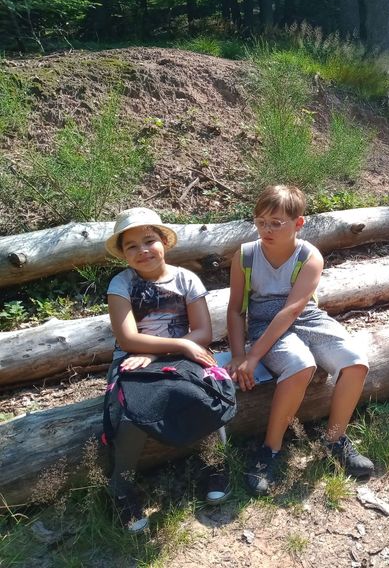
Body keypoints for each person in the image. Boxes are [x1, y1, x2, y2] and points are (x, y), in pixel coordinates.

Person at [226, 185, 374, 496]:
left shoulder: (309, 256)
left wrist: (255, 357)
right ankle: (270, 450)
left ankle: (335, 440)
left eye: (276, 223)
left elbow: (294, 309)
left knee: (356, 363)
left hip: (306, 317)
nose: (266, 229)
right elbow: (236, 309)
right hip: (265, 323)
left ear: (298, 223)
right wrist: (240, 355)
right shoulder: (245, 256)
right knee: (300, 365)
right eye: (260, 222)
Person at [105, 207, 231, 533]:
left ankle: (216, 465)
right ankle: (121, 487)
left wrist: (166, 351)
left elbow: (202, 332)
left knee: (208, 392)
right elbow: (128, 338)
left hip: (180, 353)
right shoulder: (121, 284)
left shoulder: (186, 279)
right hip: (133, 359)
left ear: (164, 241)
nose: (143, 250)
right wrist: (169, 349)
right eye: (132, 246)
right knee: (132, 413)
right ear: (123, 253)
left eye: (149, 241)